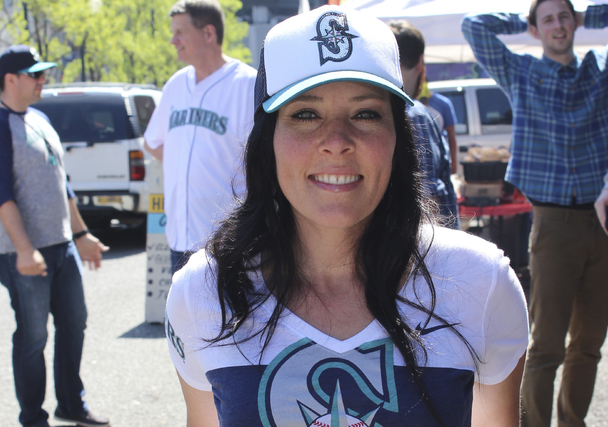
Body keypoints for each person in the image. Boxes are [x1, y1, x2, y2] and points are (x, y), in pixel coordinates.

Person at [165, 7, 529, 426]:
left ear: (399, 136)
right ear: (268, 140)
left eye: (366, 113)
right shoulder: (203, 291)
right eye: (305, 114)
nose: (336, 142)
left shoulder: (481, 283)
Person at [462, 1, 608, 426]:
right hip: (552, 224)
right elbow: (474, 26)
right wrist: (524, 21)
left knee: (589, 343)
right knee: (546, 345)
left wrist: (584, 15)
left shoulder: (598, 70)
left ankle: (573, 422)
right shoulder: (522, 73)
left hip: (600, 223)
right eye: (548, 19)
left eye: (565, 16)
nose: (559, 25)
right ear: (536, 28)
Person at [0, 45, 110, 427]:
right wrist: (23, 249)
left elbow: (60, 183)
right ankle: (33, 418)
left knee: (74, 324)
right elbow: (1, 196)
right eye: (34, 74)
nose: (42, 80)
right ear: (10, 79)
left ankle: (71, 403)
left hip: (61, 245)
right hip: (22, 254)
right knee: (33, 338)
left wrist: (81, 233)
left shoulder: (39, 118)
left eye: (42, 73)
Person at [143, 0, 257, 276]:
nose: (173, 40)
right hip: (179, 241)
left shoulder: (247, 84)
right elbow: (152, 141)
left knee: (231, 319)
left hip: (227, 243)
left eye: (180, 32)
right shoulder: (176, 84)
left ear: (208, 33)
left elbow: (267, 159)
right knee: (183, 320)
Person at [389, 20, 459, 229]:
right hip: (425, 248)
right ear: (420, 62)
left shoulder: (395, 112)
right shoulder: (415, 115)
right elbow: (429, 201)